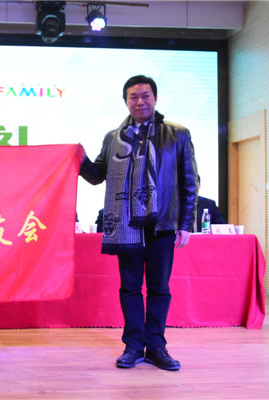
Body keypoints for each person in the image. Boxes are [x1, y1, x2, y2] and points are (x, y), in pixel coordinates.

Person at [79, 75, 198, 371]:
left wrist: (186, 224)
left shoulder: (177, 134)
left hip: (162, 225)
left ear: (155, 99)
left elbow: (190, 180)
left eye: (145, 96)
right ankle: (133, 346)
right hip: (126, 226)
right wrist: (79, 159)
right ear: (126, 102)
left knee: (159, 289)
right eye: (134, 97)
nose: (140, 101)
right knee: (130, 288)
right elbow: (97, 175)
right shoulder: (113, 138)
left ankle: (156, 347)